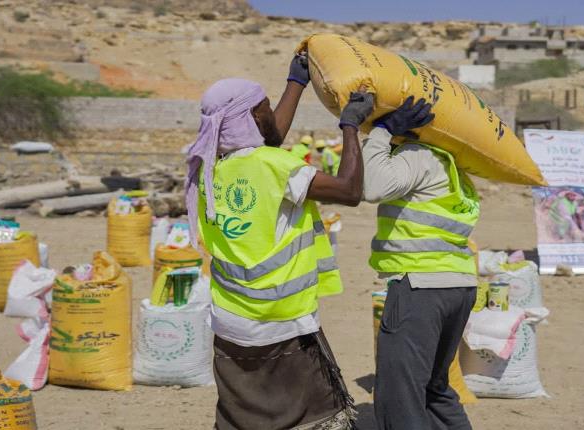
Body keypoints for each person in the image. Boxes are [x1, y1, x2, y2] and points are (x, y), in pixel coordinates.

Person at [184, 54, 375, 429]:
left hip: (231, 323)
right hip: (283, 323)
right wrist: (350, 126)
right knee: (311, 419)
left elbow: (267, 139)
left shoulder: (210, 170)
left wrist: (296, 83)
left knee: (245, 419)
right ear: (255, 117)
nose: (272, 113)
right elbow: (350, 191)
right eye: (267, 106)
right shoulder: (275, 166)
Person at [362, 96, 478, 430]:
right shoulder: (453, 165)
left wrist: (381, 132)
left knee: (400, 394)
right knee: (435, 389)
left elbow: (374, 187)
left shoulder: (418, 155)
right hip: (458, 285)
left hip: (421, 288)